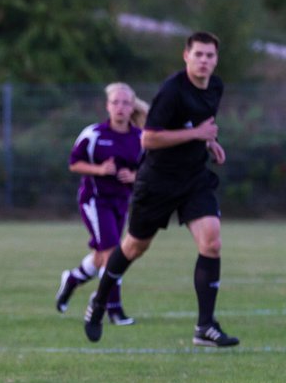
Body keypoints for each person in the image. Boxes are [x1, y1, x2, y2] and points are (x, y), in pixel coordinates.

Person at [83, 32, 239, 347]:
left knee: (211, 242)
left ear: (216, 59)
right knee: (133, 248)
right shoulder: (172, 90)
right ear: (186, 56)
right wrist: (198, 134)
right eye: (199, 54)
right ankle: (98, 302)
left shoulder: (215, 87)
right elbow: (149, 139)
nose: (204, 61)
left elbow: (201, 124)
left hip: (194, 178)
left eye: (210, 55)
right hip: (157, 182)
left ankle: (205, 327)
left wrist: (210, 142)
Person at [54, 83, 148, 323]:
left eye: (126, 103)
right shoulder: (93, 134)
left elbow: (149, 169)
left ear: (132, 107)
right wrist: (99, 169)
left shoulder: (140, 138)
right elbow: (74, 163)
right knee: (113, 254)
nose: (120, 107)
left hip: (122, 202)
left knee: (102, 255)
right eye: (115, 102)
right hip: (95, 201)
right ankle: (113, 308)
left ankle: (72, 280)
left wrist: (135, 176)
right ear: (107, 106)